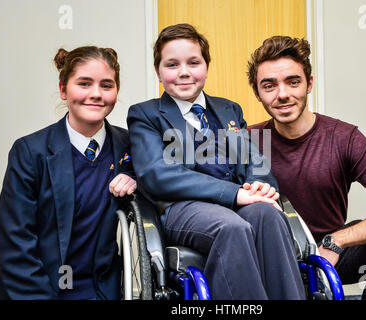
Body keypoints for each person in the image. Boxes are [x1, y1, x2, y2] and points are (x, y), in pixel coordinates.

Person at [127, 24, 305, 300]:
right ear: (158, 71)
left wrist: (262, 187)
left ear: (206, 66)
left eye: (193, 62)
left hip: (237, 202)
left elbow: (254, 161)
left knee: (268, 214)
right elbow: (156, 174)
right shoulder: (146, 114)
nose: (184, 72)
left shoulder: (228, 109)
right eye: (172, 64)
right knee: (231, 227)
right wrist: (235, 193)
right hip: (181, 208)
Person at [247, 35, 366, 299]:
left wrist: (337, 241)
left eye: (293, 81)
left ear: (309, 84)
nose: (283, 94)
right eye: (269, 85)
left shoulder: (344, 137)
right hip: (268, 258)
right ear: (257, 92)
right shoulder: (246, 141)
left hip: (328, 252)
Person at [0, 46, 136, 300]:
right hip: (37, 288)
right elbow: (16, 246)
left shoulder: (129, 146)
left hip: (99, 290)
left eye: (106, 85)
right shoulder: (30, 152)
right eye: (84, 83)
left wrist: (136, 179)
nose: (96, 94)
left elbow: (161, 182)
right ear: (63, 89)